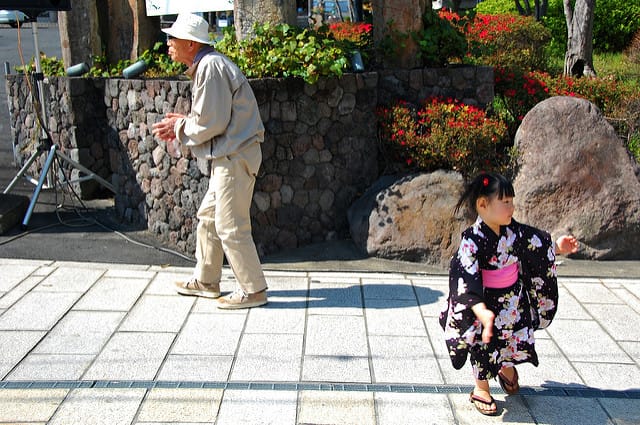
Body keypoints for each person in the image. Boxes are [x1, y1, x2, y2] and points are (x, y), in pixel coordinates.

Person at [151, 13, 268, 309]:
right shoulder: (209, 65)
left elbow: (211, 122)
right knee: (208, 218)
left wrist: (180, 127)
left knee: (230, 225)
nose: (169, 44)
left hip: (234, 155)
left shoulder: (211, 67)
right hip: (232, 153)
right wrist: (186, 121)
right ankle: (206, 280)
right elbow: (212, 117)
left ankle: (253, 290)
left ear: (191, 43)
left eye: (173, 38)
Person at [439, 172, 579, 415]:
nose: (511, 207)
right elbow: (465, 273)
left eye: (512, 201)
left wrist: (557, 247)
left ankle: (505, 366)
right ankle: (481, 387)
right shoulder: (472, 240)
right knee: (484, 344)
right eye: (505, 202)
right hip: (484, 300)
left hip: (512, 300)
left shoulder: (515, 232)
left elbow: (537, 246)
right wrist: (479, 309)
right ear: (483, 205)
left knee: (511, 337)